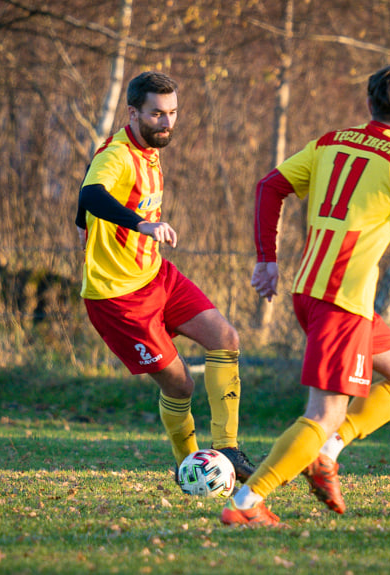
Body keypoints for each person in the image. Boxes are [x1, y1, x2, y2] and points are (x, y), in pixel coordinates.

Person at [221, 64, 390, 527]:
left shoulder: (331, 142)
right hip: (342, 302)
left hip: (312, 292)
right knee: (324, 411)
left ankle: (327, 451)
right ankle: (247, 501)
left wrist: (268, 259)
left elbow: (270, 186)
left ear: (369, 103)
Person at [75, 71, 254, 484]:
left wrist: (80, 223)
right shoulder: (118, 154)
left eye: (172, 113)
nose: (167, 122)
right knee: (181, 387)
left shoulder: (148, 148)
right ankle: (190, 466)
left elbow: (83, 195)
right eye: (157, 114)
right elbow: (91, 193)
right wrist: (141, 224)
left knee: (226, 338)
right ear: (133, 112)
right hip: (117, 298)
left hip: (157, 275)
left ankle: (227, 447)